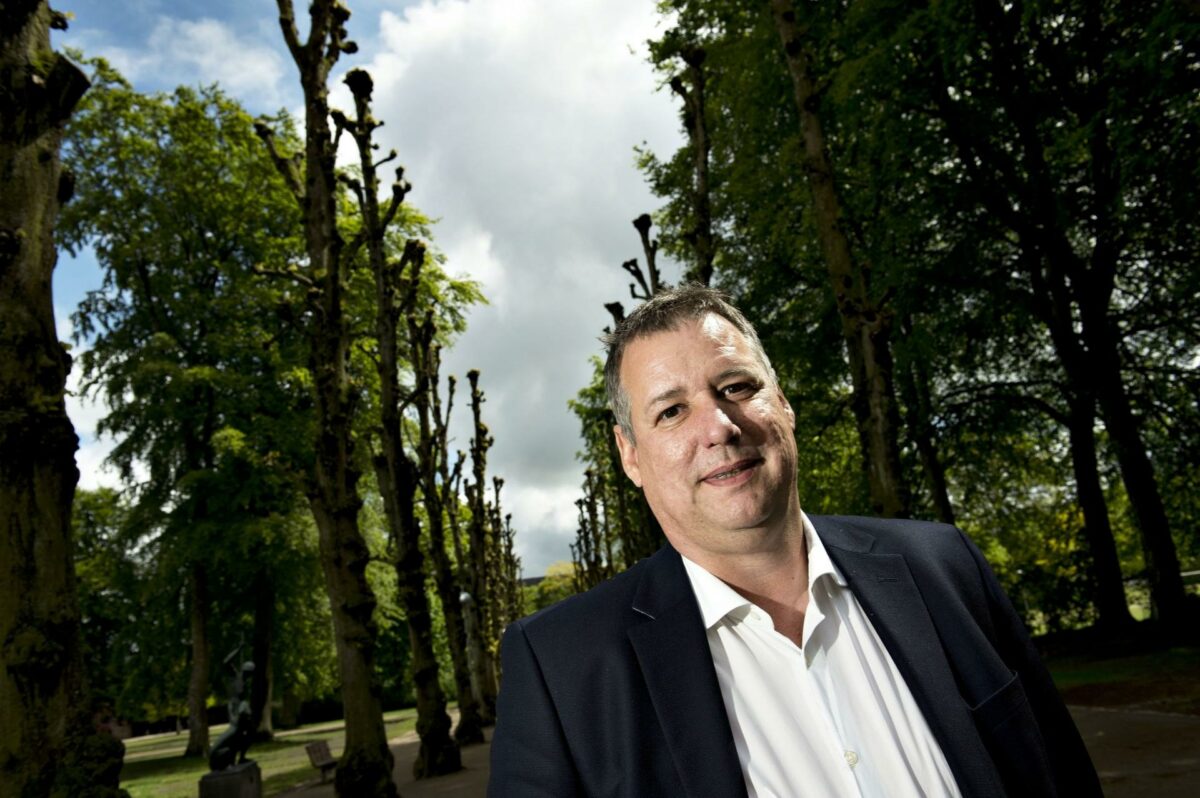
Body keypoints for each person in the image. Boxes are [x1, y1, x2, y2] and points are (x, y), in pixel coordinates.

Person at [489, 285, 1101, 797]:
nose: (720, 428)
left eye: (735, 387)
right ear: (630, 455)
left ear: (781, 403)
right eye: (671, 411)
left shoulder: (944, 567)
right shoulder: (559, 668)